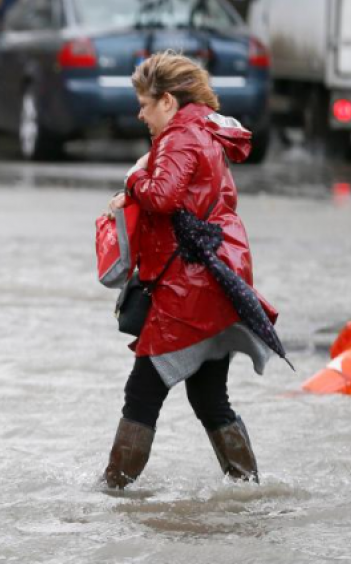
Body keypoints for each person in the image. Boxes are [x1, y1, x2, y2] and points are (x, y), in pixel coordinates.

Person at [102, 52, 276, 489]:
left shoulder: (180, 137)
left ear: (167, 101)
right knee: (209, 396)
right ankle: (248, 491)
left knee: (141, 393)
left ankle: (113, 492)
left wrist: (132, 183)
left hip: (188, 292)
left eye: (145, 104)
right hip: (213, 282)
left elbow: (161, 197)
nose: (140, 114)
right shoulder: (207, 130)